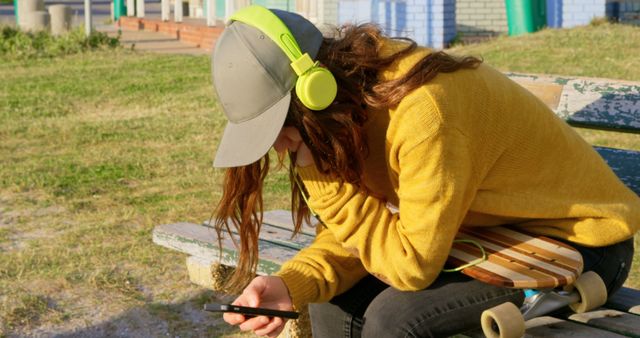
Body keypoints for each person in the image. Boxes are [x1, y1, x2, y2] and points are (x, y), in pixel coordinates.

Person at [210, 5, 639, 338]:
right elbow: (367, 233)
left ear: (315, 92)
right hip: (480, 234)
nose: (280, 146)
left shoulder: (423, 112)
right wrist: (294, 283)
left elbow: (411, 265)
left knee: (394, 319)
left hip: (579, 243)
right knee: (332, 300)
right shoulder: (347, 105)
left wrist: (321, 181)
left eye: (280, 128)